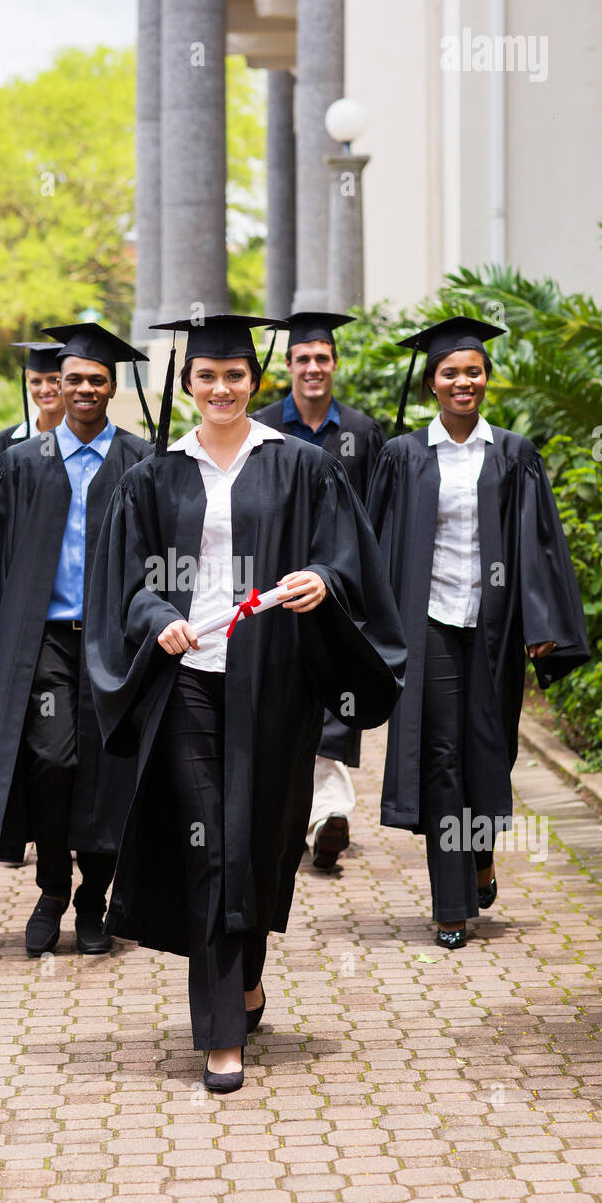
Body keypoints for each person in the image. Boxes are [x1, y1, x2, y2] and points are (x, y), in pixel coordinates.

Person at [85, 314, 406, 1092]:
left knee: (261, 844)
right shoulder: (153, 477)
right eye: (207, 377)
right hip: (190, 679)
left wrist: (322, 581)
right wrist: (157, 620)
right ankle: (222, 1029)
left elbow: (348, 555)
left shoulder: (302, 467)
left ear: (253, 383)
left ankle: (249, 974)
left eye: (234, 376)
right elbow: (123, 582)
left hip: (277, 685)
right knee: (211, 848)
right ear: (189, 384)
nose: (221, 389)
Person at [366, 316, 590, 950]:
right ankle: (452, 905)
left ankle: (481, 853)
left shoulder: (513, 453)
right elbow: (379, 545)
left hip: (495, 624)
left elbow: (541, 544)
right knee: (440, 755)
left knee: (488, 748)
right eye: (450, 373)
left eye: (474, 371)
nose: (464, 381)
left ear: (486, 378)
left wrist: (541, 623)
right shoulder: (404, 455)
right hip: (429, 620)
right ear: (432, 384)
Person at [0, 323, 154, 956]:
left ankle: (95, 899)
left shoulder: (141, 462)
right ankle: (54, 885)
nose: (84, 388)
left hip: (117, 645)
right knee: (53, 761)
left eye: (96, 379)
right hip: (46, 644)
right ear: (56, 385)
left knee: (110, 772)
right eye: (73, 379)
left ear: (112, 387)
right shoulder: (21, 463)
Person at [252, 312, 386, 869]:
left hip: (338, 588)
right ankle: (303, 813)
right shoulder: (259, 426)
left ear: (335, 364)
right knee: (281, 696)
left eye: (322, 359)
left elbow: (376, 515)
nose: (313, 368)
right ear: (288, 366)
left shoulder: (362, 430)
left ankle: (325, 812)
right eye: (302, 358)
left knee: (334, 694)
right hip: (273, 584)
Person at [0, 341, 65, 471]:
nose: (45, 389)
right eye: (36, 381)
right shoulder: (4, 442)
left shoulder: (84, 439)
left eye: (53, 379)